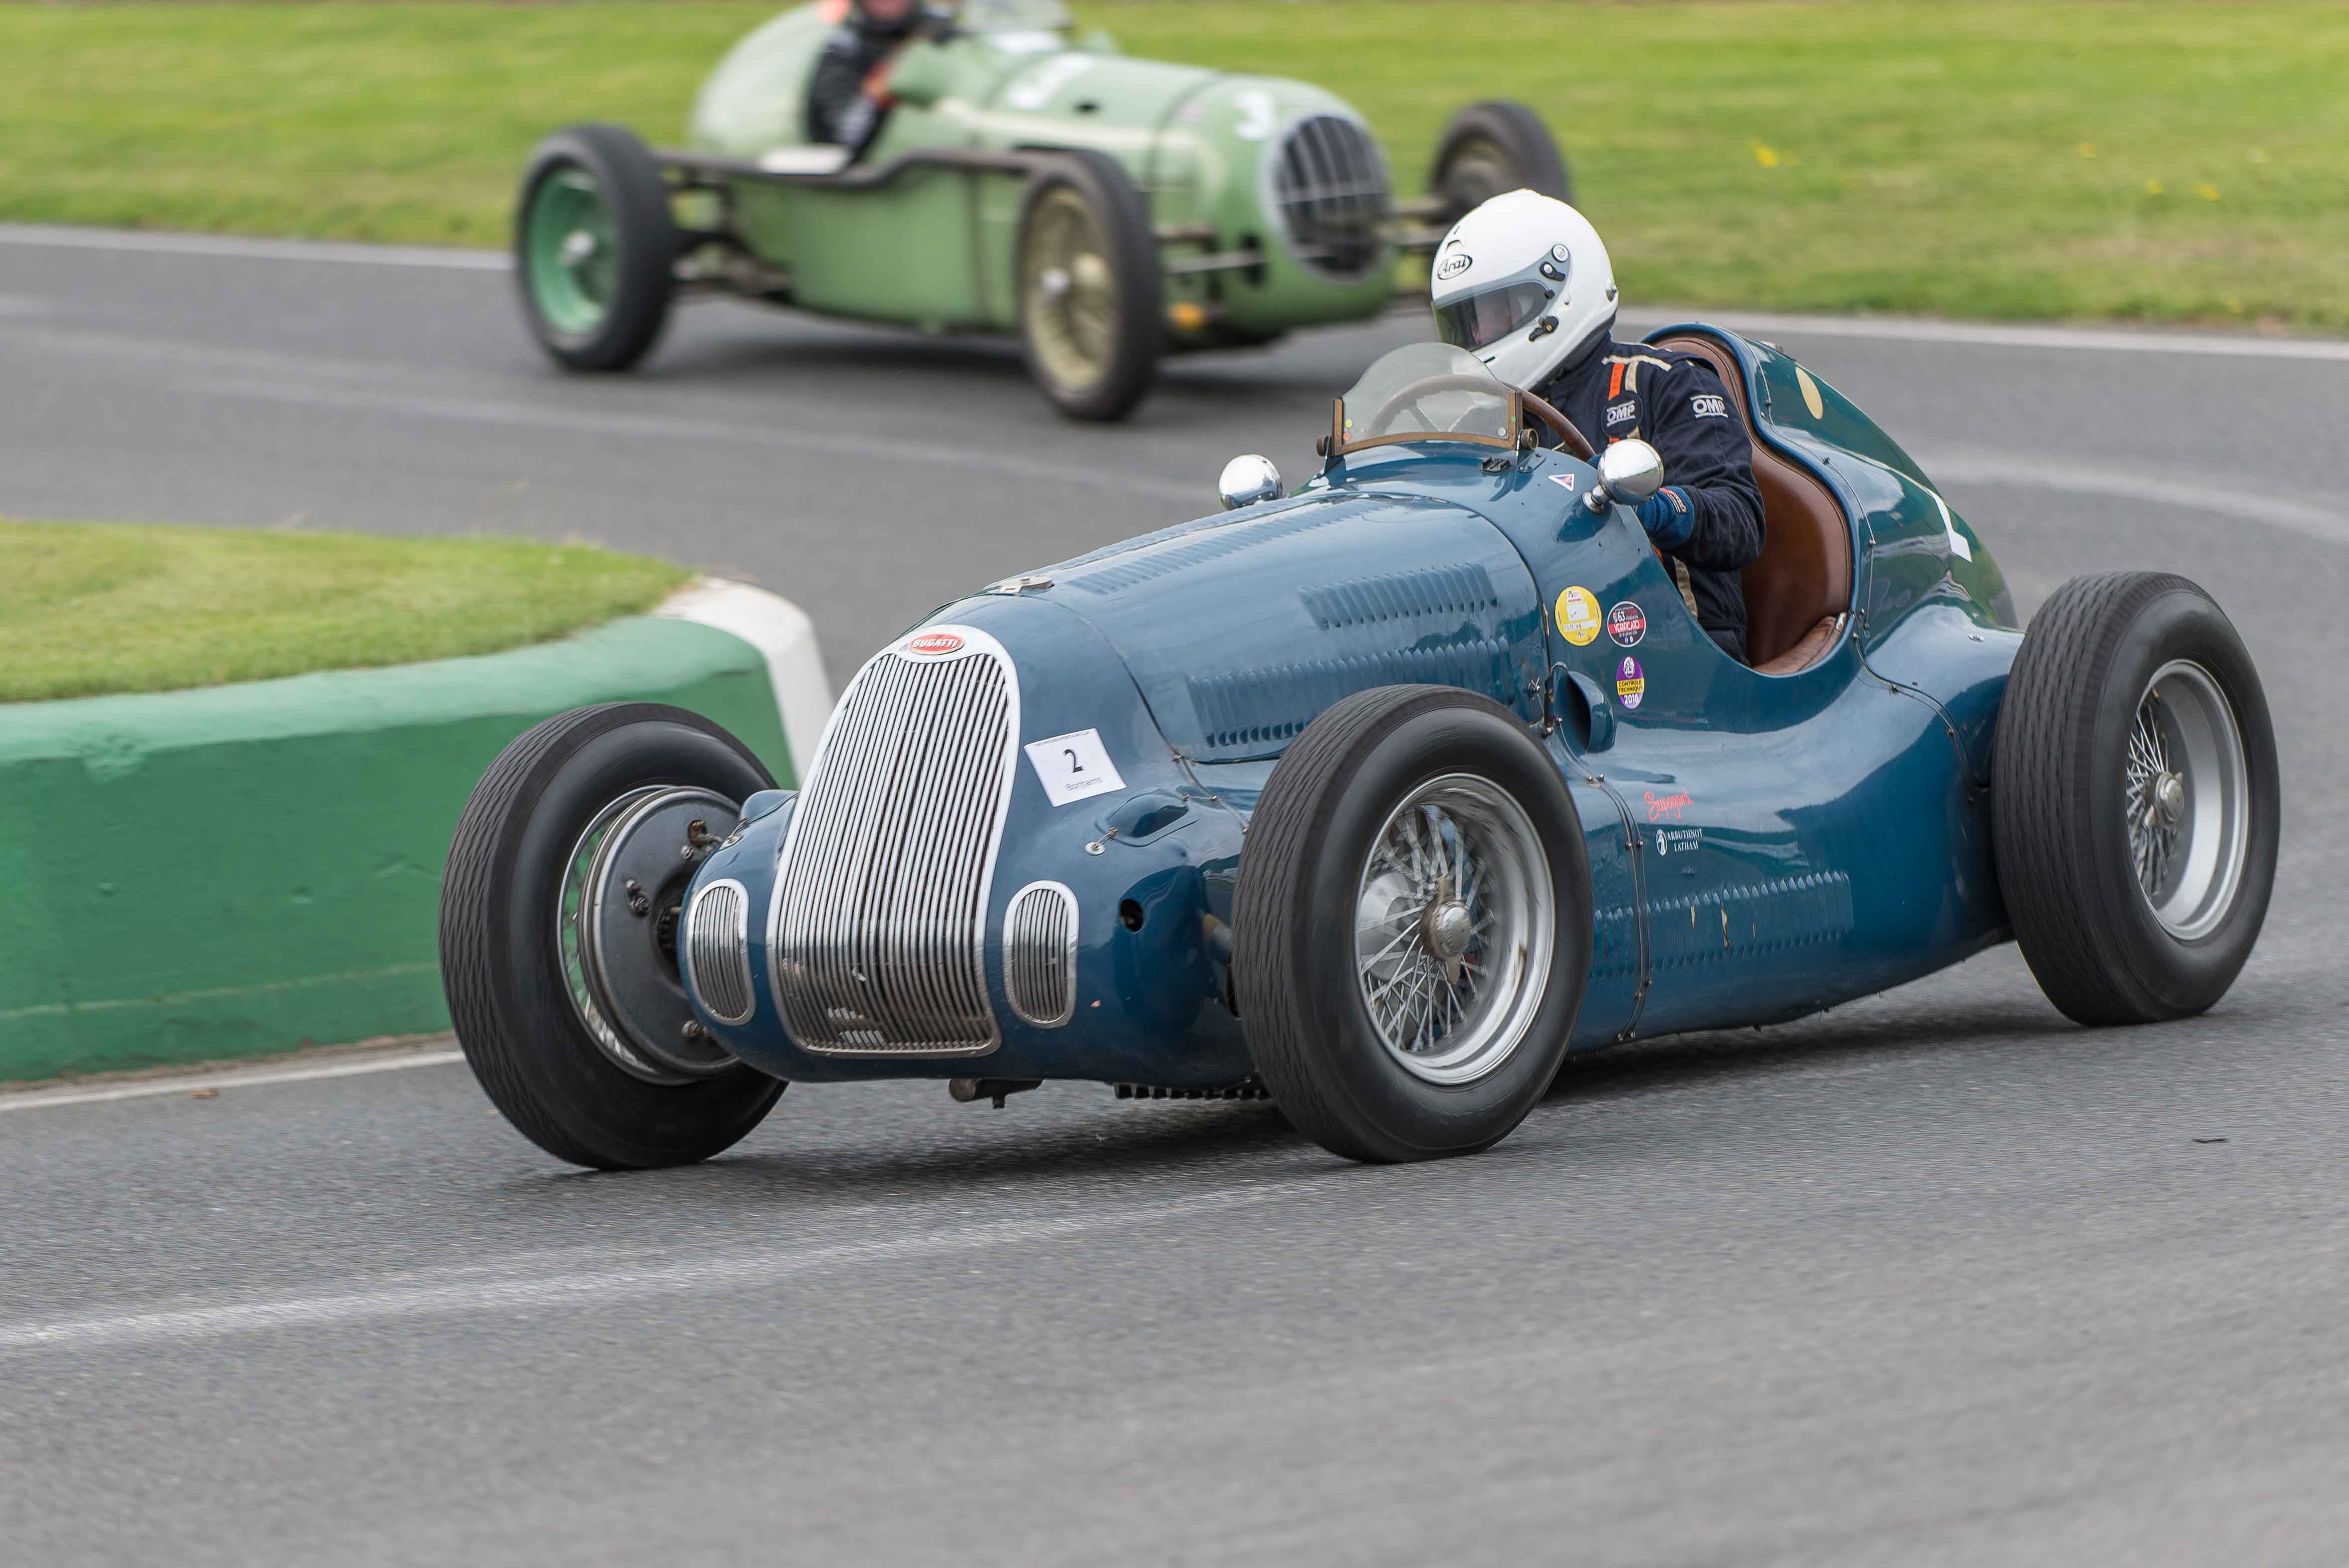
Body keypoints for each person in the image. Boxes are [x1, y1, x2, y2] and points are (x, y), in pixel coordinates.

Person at [1430, 190, 1765, 662]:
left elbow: (1741, 522)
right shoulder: (1476, 424)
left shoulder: (1664, 383)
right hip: (1536, 651)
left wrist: (1654, 509)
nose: (1480, 337)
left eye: (1498, 313)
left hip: (1677, 652)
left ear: (1559, 292)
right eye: (1467, 324)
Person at [805, 0, 938, 158]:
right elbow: (840, 141)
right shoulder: (846, 49)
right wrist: (880, 92)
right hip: (886, 164)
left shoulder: (940, 34)